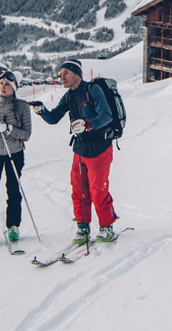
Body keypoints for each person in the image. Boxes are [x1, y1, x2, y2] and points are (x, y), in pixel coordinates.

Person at [34, 59, 117, 245]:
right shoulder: (69, 95)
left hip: (99, 147)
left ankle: (107, 226)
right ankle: (82, 227)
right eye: (61, 74)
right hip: (80, 149)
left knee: (98, 190)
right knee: (78, 190)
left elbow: (107, 115)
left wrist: (88, 124)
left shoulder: (93, 90)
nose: (61, 77)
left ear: (77, 74)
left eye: (66, 73)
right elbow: (54, 118)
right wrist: (42, 111)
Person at [0, 72, 32, 248]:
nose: (3, 86)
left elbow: (26, 134)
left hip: (14, 153)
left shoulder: (22, 106)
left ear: (14, 87)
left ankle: (13, 226)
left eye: (7, 84)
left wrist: (9, 129)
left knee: (13, 190)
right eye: (1, 83)